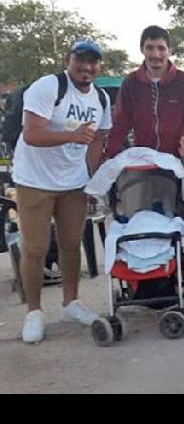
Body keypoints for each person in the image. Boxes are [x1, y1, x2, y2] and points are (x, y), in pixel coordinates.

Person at [15, 39, 112, 343]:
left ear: (99, 65)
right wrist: (71, 135)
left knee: (72, 244)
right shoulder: (47, 87)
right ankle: (34, 311)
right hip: (35, 179)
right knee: (35, 247)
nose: (86, 67)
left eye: (92, 62)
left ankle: (71, 302)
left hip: (73, 183)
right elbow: (31, 133)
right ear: (67, 59)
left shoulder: (101, 98)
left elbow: (99, 137)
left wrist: (91, 175)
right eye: (80, 60)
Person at [106, 26, 184, 302]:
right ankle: (152, 281)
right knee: (147, 221)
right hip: (145, 167)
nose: (156, 54)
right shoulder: (131, 83)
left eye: (161, 48)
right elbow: (120, 122)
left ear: (169, 50)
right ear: (142, 49)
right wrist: (112, 158)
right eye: (150, 48)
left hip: (180, 160)